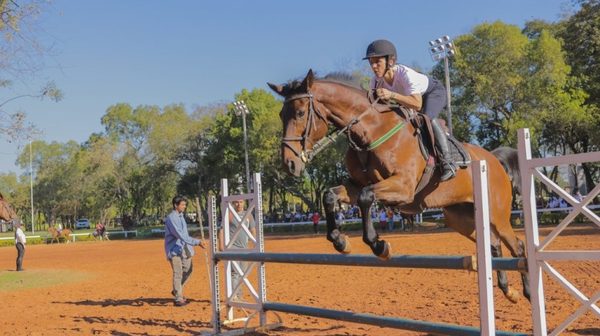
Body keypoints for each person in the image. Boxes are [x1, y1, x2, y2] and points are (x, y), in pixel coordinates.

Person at [364, 39, 456, 181]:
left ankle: (448, 161)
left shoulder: (404, 74)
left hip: (431, 94)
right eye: (371, 63)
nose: (374, 67)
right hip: (408, 100)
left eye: (377, 62)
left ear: (390, 61)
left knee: (426, 118)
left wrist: (392, 95)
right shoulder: (375, 82)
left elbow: (417, 104)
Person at [164, 195, 205, 307]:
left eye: (185, 204)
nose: (184, 206)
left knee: (188, 270)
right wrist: (197, 242)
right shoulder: (172, 218)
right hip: (174, 250)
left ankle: (177, 289)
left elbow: (185, 235)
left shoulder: (181, 216)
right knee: (178, 272)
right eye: (182, 204)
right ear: (175, 205)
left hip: (184, 248)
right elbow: (180, 235)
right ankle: (178, 298)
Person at [218, 199, 255, 300]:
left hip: (244, 247)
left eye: (241, 202)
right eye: (237, 202)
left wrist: (255, 243)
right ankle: (234, 295)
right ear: (233, 204)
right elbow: (221, 230)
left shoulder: (248, 215)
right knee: (235, 272)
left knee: (243, 273)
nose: (239, 204)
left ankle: (239, 295)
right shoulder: (229, 215)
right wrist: (221, 245)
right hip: (233, 247)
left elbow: (253, 230)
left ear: (244, 203)